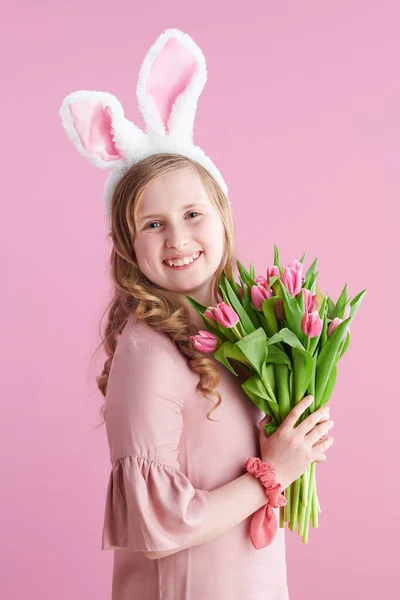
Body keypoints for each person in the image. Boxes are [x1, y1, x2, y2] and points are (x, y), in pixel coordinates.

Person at [59, 29, 334, 600]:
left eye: (192, 213)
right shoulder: (149, 353)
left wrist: (293, 436)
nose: (177, 238)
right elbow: (158, 529)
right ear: (126, 243)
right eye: (152, 224)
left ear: (224, 217)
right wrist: (274, 474)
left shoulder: (233, 330)